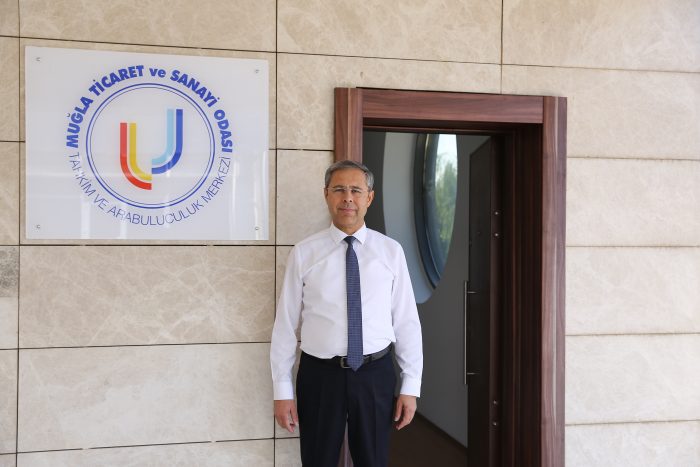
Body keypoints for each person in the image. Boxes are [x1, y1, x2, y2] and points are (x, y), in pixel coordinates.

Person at [270, 160, 423, 467]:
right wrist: (282, 390)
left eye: (356, 190)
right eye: (339, 189)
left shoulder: (391, 251)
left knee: (373, 460)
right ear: (326, 194)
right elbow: (285, 325)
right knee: (318, 460)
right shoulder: (304, 253)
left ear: (370, 197)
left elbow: (406, 322)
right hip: (319, 376)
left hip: (375, 375)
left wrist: (411, 386)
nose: (348, 198)